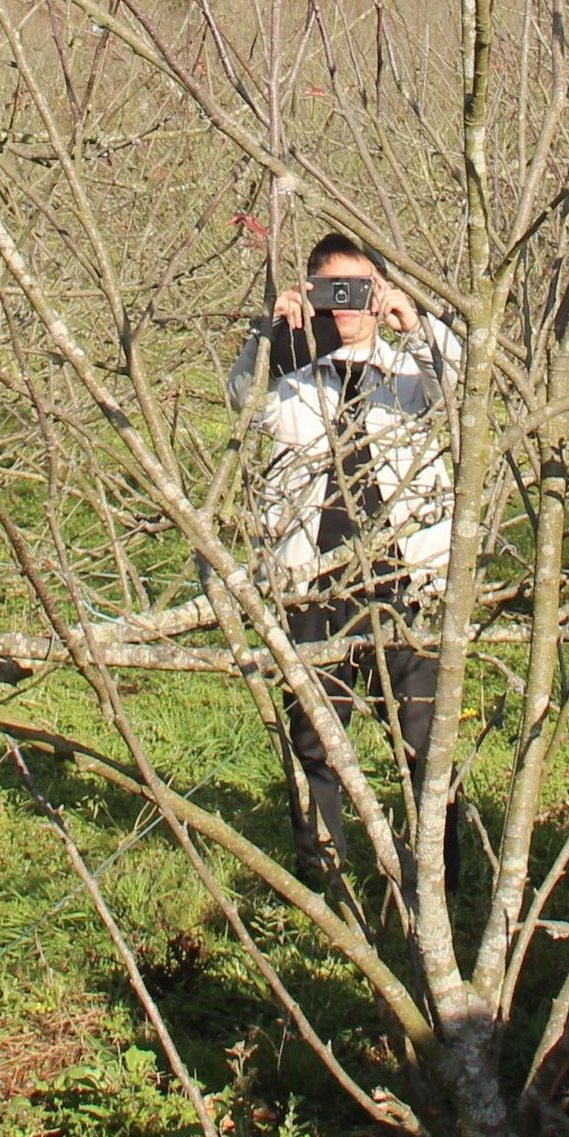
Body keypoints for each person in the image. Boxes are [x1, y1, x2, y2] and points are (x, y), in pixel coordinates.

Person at [250, 231, 460, 892]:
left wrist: (417, 323)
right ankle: (325, 876)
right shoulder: (287, 370)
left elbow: (467, 386)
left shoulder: (410, 371)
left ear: (379, 293)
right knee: (316, 733)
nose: (344, 305)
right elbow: (238, 394)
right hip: (311, 579)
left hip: (406, 579)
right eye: (329, 290)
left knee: (425, 733)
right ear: (309, 293)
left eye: (357, 289)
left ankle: (441, 875)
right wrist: (270, 331)